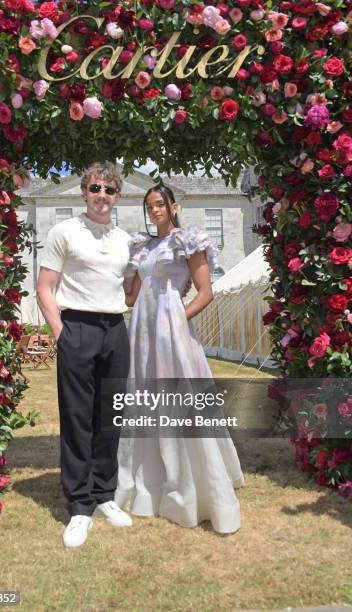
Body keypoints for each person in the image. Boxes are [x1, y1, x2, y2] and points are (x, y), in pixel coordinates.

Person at [116, 185, 244, 533]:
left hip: (172, 332)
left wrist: (177, 320)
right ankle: (150, 483)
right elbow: (130, 299)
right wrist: (129, 271)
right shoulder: (142, 246)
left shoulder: (187, 240)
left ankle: (197, 486)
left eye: (160, 204)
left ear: (173, 206)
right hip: (141, 332)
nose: (154, 210)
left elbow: (206, 292)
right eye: (149, 206)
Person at [36, 162, 133, 548]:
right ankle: (79, 507)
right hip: (77, 328)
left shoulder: (124, 239)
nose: (102, 196)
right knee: (78, 417)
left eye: (109, 190)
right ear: (83, 191)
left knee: (110, 417)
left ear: (117, 196)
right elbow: (45, 287)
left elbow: (127, 291)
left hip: (115, 330)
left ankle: (105, 495)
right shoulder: (64, 232)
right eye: (96, 188)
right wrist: (62, 334)